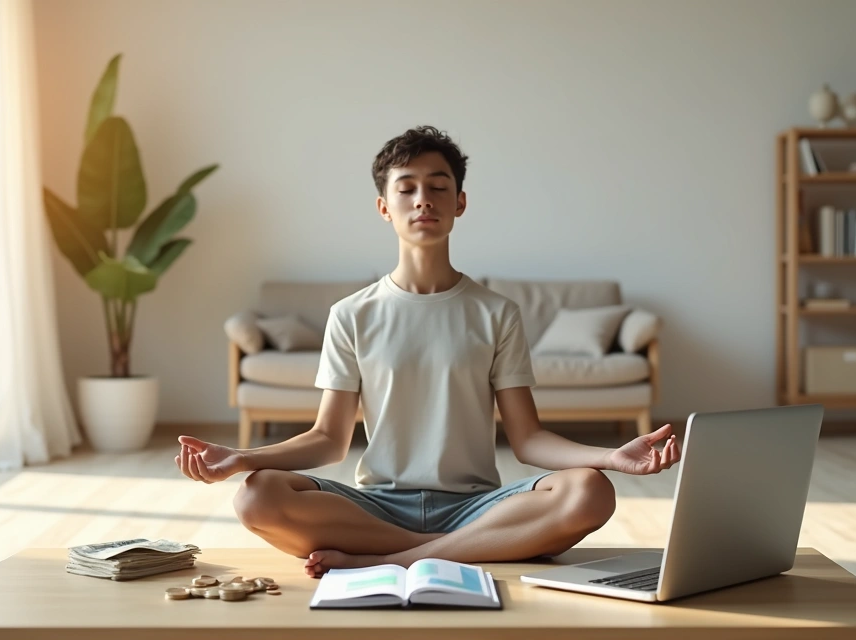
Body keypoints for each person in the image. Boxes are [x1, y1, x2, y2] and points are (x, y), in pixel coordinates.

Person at [176, 125, 680, 578]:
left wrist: (611, 457)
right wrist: (243, 458)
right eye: (407, 188)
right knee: (258, 497)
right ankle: (464, 551)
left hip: (477, 504)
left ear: (459, 202)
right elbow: (329, 440)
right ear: (384, 207)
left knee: (590, 491)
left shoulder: (496, 312)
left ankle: (392, 561)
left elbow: (528, 440)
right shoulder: (351, 314)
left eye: (439, 186)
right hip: (377, 506)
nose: (424, 200)